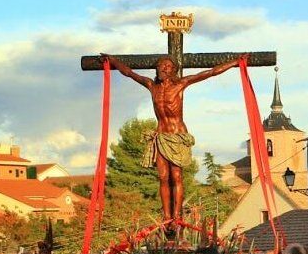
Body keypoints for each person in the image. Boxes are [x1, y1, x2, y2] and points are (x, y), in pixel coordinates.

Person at [102, 53, 249, 230]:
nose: (163, 68)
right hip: (161, 136)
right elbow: (129, 73)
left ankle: (177, 216)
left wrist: (235, 62)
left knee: (176, 176)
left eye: (168, 66)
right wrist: (113, 61)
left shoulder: (181, 84)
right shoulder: (151, 85)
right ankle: (166, 216)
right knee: (163, 177)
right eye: (161, 65)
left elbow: (210, 72)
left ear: (173, 71)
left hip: (177, 136)